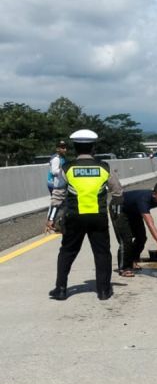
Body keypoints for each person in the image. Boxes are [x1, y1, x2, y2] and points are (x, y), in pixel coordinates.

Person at [46, 129, 123, 301]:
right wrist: (115, 212)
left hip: (74, 217)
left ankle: (60, 289)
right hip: (98, 217)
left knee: (67, 251)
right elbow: (117, 192)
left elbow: (57, 194)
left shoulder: (68, 168)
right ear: (93, 147)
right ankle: (103, 291)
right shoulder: (104, 167)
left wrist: (51, 218)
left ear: (75, 147)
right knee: (102, 253)